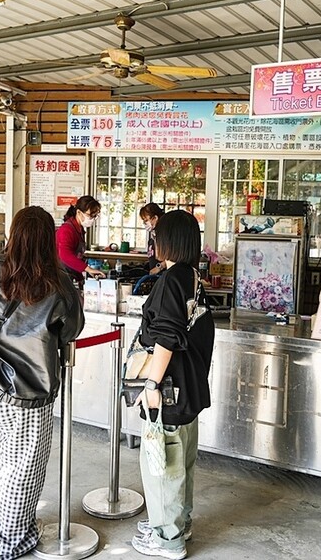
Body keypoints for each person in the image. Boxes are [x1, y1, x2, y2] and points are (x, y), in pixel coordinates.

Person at [0, 206, 84, 559]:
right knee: (20, 472)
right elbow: (71, 331)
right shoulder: (59, 285)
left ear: (13, 233)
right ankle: (11, 542)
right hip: (25, 395)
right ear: (49, 240)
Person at [131, 209, 215, 560]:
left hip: (169, 389)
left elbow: (166, 338)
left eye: (158, 235)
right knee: (182, 461)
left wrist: (151, 385)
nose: (155, 240)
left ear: (169, 240)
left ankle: (168, 539)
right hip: (189, 390)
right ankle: (179, 523)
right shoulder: (192, 277)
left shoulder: (171, 280)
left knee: (163, 464)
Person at [56, 195, 105, 284]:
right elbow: (65, 255)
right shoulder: (66, 230)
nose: (92, 219)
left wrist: (80, 277)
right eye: (90, 215)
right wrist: (88, 269)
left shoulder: (79, 230)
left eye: (95, 216)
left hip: (68, 276)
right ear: (79, 212)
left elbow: (76, 259)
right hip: (58, 277)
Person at [140, 203, 166, 275]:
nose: (144, 223)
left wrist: (159, 267)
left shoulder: (166, 236)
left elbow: (174, 258)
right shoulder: (153, 238)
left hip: (163, 276)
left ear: (155, 218)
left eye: (146, 220)